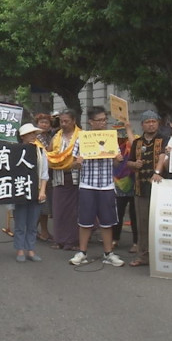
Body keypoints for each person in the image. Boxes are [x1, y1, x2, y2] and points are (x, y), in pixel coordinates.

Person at [69, 106, 125, 267]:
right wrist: (78, 163)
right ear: (91, 122)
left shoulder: (111, 138)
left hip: (106, 186)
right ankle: (82, 252)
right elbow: (72, 165)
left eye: (104, 120)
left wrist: (118, 158)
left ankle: (108, 253)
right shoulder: (82, 138)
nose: (103, 123)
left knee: (107, 222)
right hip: (88, 185)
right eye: (99, 120)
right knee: (85, 221)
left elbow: (115, 164)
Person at [127, 110, 167, 267]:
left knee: (160, 223)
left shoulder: (164, 140)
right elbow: (128, 163)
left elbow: (166, 158)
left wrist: (158, 172)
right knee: (142, 224)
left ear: (158, 123)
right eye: (147, 122)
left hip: (160, 189)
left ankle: (161, 257)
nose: (151, 124)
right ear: (142, 125)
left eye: (154, 121)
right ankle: (142, 256)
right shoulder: (137, 143)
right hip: (140, 188)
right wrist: (134, 165)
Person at [12, 123, 49, 262]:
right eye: (30, 134)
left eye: (34, 133)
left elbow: (44, 174)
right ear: (23, 137)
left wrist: (43, 191)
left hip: (36, 190)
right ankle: (20, 249)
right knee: (21, 222)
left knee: (33, 223)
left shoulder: (40, 151)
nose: (34, 136)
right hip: (21, 190)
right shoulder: (15, 151)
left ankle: (31, 250)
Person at [47, 109, 81, 252]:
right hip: (59, 177)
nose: (64, 124)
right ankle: (59, 240)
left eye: (67, 121)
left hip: (76, 177)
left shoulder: (81, 136)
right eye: (62, 121)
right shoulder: (56, 136)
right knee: (59, 210)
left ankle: (72, 241)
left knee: (73, 212)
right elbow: (49, 153)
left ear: (74, 121)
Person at [111, 122, 137, 253]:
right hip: (117, 181)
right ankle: (114, 238)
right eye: (117, 130)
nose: (120, 133)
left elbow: (136, 148)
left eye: (123, 130)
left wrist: (128, 129)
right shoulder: (111, 143)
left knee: (134, 214)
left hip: (133, 181)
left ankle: (136, 242)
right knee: (117, 212)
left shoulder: (134, 139)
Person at [34, 113, 55, 243]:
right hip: (39, 174)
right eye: (41, 122)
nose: (44, 125)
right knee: (40, 205)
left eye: (46, 122)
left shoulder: (49, 136)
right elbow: (47, 151)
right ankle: (34, 230)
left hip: (49, 173)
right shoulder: (37, 137)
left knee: (45, 206)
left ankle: (43, 231)